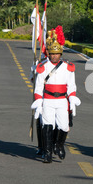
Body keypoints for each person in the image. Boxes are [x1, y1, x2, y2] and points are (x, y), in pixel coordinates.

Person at [31, 26, 81, 163]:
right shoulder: (43, 67)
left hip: (62, 101)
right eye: (52, 53)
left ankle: (58, 145)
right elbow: (38, 86)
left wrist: (72, 98)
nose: (54, 56)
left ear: (60, 54)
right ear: (48, 53)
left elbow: (71, 85)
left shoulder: (67, 67)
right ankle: (47, 152)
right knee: (47, 125)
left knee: (64, 126)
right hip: (48, 99)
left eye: (56, 53)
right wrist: (38, 103)